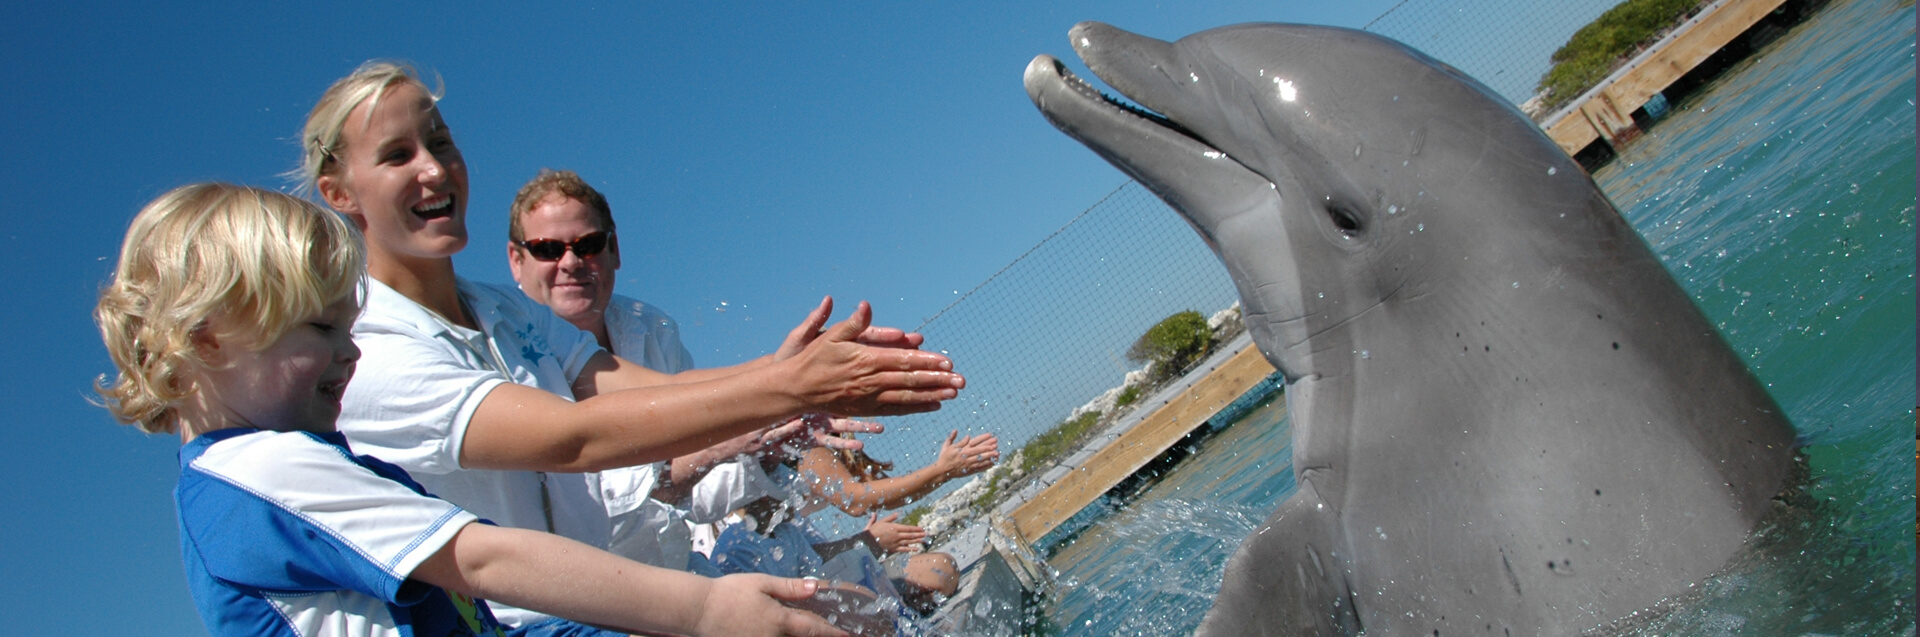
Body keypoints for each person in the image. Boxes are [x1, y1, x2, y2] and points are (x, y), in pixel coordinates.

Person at [298, 60, 963, 629]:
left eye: (440, 143)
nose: (434, 169)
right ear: (340, 193)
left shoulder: (494, 307)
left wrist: (789, 371)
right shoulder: (372, 351)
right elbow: (572, 439)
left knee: (861, 618)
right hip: (529, 624)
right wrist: (791, 388)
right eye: (397, 155)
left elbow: (629, 384)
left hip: (608, 606)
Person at [92, 183, 849, 637]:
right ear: (208, 340)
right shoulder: (263, 470)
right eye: (321, 329)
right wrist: (703, 611)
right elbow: (486, 557)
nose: (349, 356)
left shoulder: (246, 481)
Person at [504, 168, 805, 574]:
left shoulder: (649, 328)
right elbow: (592, 521)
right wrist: (725, 438)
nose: (571, 262)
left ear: (615, 251)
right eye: (547, 249)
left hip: (674, 565)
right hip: (582, 596)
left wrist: (768, 448)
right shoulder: (509, 368)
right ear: (516, 262)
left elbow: (692, 493)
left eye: (588, 244)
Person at [716, 432, 1001, 615]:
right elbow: (858, 500)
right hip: (770, 587)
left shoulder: (788, 533)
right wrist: (941, 471)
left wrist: (943, 473)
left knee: (942, 570)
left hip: (808, 563)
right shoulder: (802, 441)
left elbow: (876, 492)